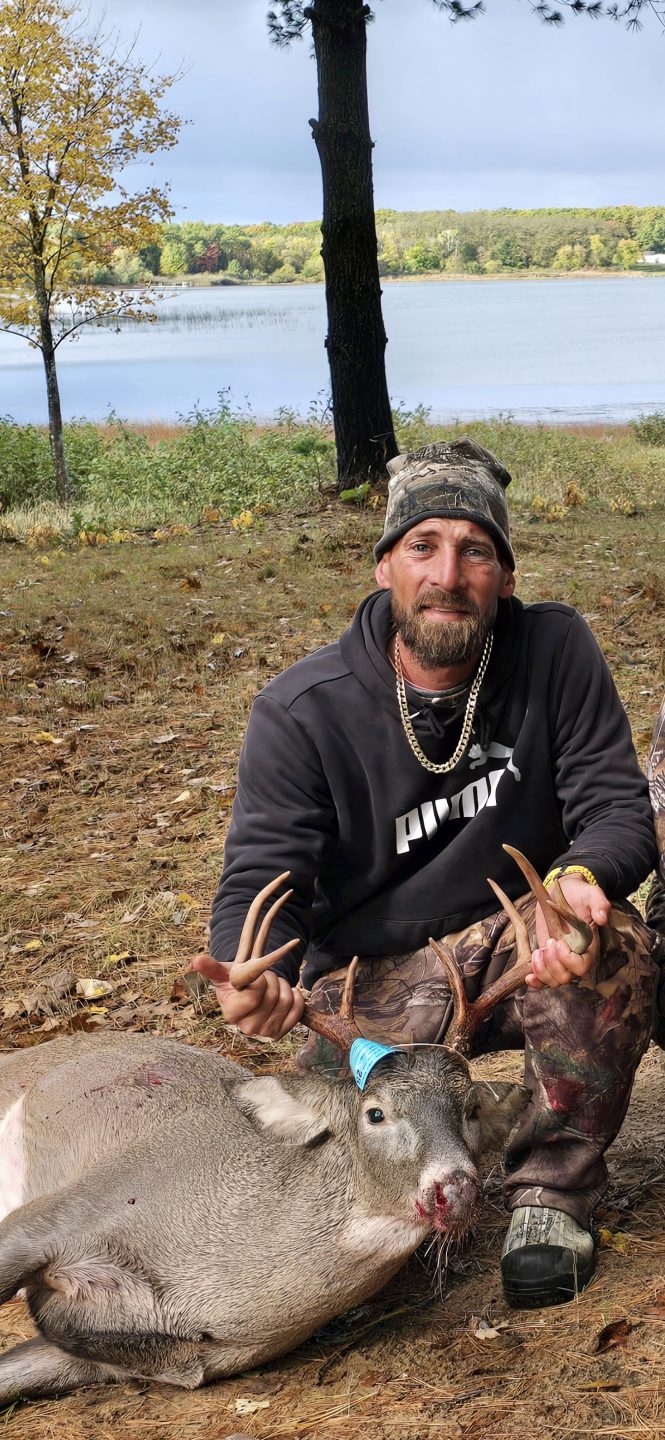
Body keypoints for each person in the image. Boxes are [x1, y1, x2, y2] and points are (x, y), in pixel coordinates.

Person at [194, 438, 661, 1310]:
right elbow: (263, 874)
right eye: (423, 546)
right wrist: (253, 972)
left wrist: (579, 878)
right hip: (370, 981)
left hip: (519, 946)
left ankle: (549, 1194)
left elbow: (614, 806)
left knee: (616, 948)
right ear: (385, 567)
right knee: (331, 1190)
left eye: (475, 551)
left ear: (504, 576)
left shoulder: (554, 651)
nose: (448, 575)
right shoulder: (301, 710)